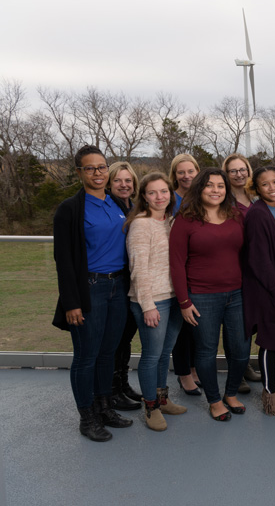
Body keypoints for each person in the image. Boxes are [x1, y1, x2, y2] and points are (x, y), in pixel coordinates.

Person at [53, 145, 132, 441]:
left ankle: (104, 407)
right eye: (90, 168)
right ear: (79, 173)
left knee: (107, 353)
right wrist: (71, 302)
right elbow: (63, 259)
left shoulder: (117, 202)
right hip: (90, 289)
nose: (98, 173)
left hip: (118, 285)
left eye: (102, 167)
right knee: (86, 356)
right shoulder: (71, 209)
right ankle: (87, 417)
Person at [169, 168, 249, 421]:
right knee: (205, 351)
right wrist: (184, 301)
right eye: (209, 185)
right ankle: (214, 400)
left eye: (220, 186)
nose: (216, 190)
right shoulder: (185, 219)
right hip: (202, 296)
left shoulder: (236, 215)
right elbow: (176, 263)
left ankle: (231, 393)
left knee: (241, 349)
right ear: (200, 189)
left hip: (237, 294)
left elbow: (246, 255)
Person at [125, 172, 187, 431]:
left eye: (164, 191)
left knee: (165, 353)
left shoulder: (171, 221)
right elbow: (138, 269)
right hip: (153, 301)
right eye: (152, 192)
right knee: (151, 356)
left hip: (173, 298)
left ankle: (162, 398)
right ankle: (150, 406)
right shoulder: (141, 224)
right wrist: (147, 305)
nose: (159, 197)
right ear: (144, 197)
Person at [241, 166, 275, 416]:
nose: (272, 187)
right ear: (256, 188)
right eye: (265, 184)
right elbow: (258, 259)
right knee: (269, 341)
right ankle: (268, 395)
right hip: (268, 289)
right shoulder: (257, 214)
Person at [222, 153, 261, 392]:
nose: (239, 174)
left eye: (242, 169)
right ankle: (238, 371)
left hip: (256, 267)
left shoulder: (257, 198)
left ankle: (245, 363)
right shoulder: (223, 201)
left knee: (252, 321)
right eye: (233, 171)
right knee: (235, 323)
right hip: (234, 267)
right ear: (226, 175)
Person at [106, 162, 143, 411]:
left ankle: (123, 384)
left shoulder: (135, 207)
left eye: (128, 180)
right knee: (115, 339)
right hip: (115, 280)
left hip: (132, 280)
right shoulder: (109, 207)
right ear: (110, 184)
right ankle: (111, 391)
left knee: (127, 336)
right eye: (118, 180)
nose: (123, 185)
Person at [168, 154, 202, 397]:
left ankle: (193, 367)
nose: (186, 176)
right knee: (180, 324)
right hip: (176, 267)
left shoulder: (203, 197)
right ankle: (183, 373)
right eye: (181, 172)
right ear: (174, 175)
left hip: (199, 270)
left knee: (196, 323)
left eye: (191, 171)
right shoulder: (170, 199)